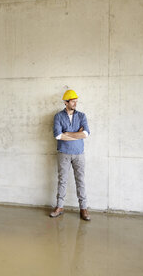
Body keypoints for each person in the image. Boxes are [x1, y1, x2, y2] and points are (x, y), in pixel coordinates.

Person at [50, 89, 91, 221]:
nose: (75, 103)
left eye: (76, 101)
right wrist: (76, 135)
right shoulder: (58, 116)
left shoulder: (82, 116)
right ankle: (59, 207)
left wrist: (67, 134)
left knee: (80, 180)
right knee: (62, 180)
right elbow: (57, 135)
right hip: (63, 153)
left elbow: (86, 134)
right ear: (66, 102)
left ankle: (83, 209)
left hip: (79, 154)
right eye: (73, 101)